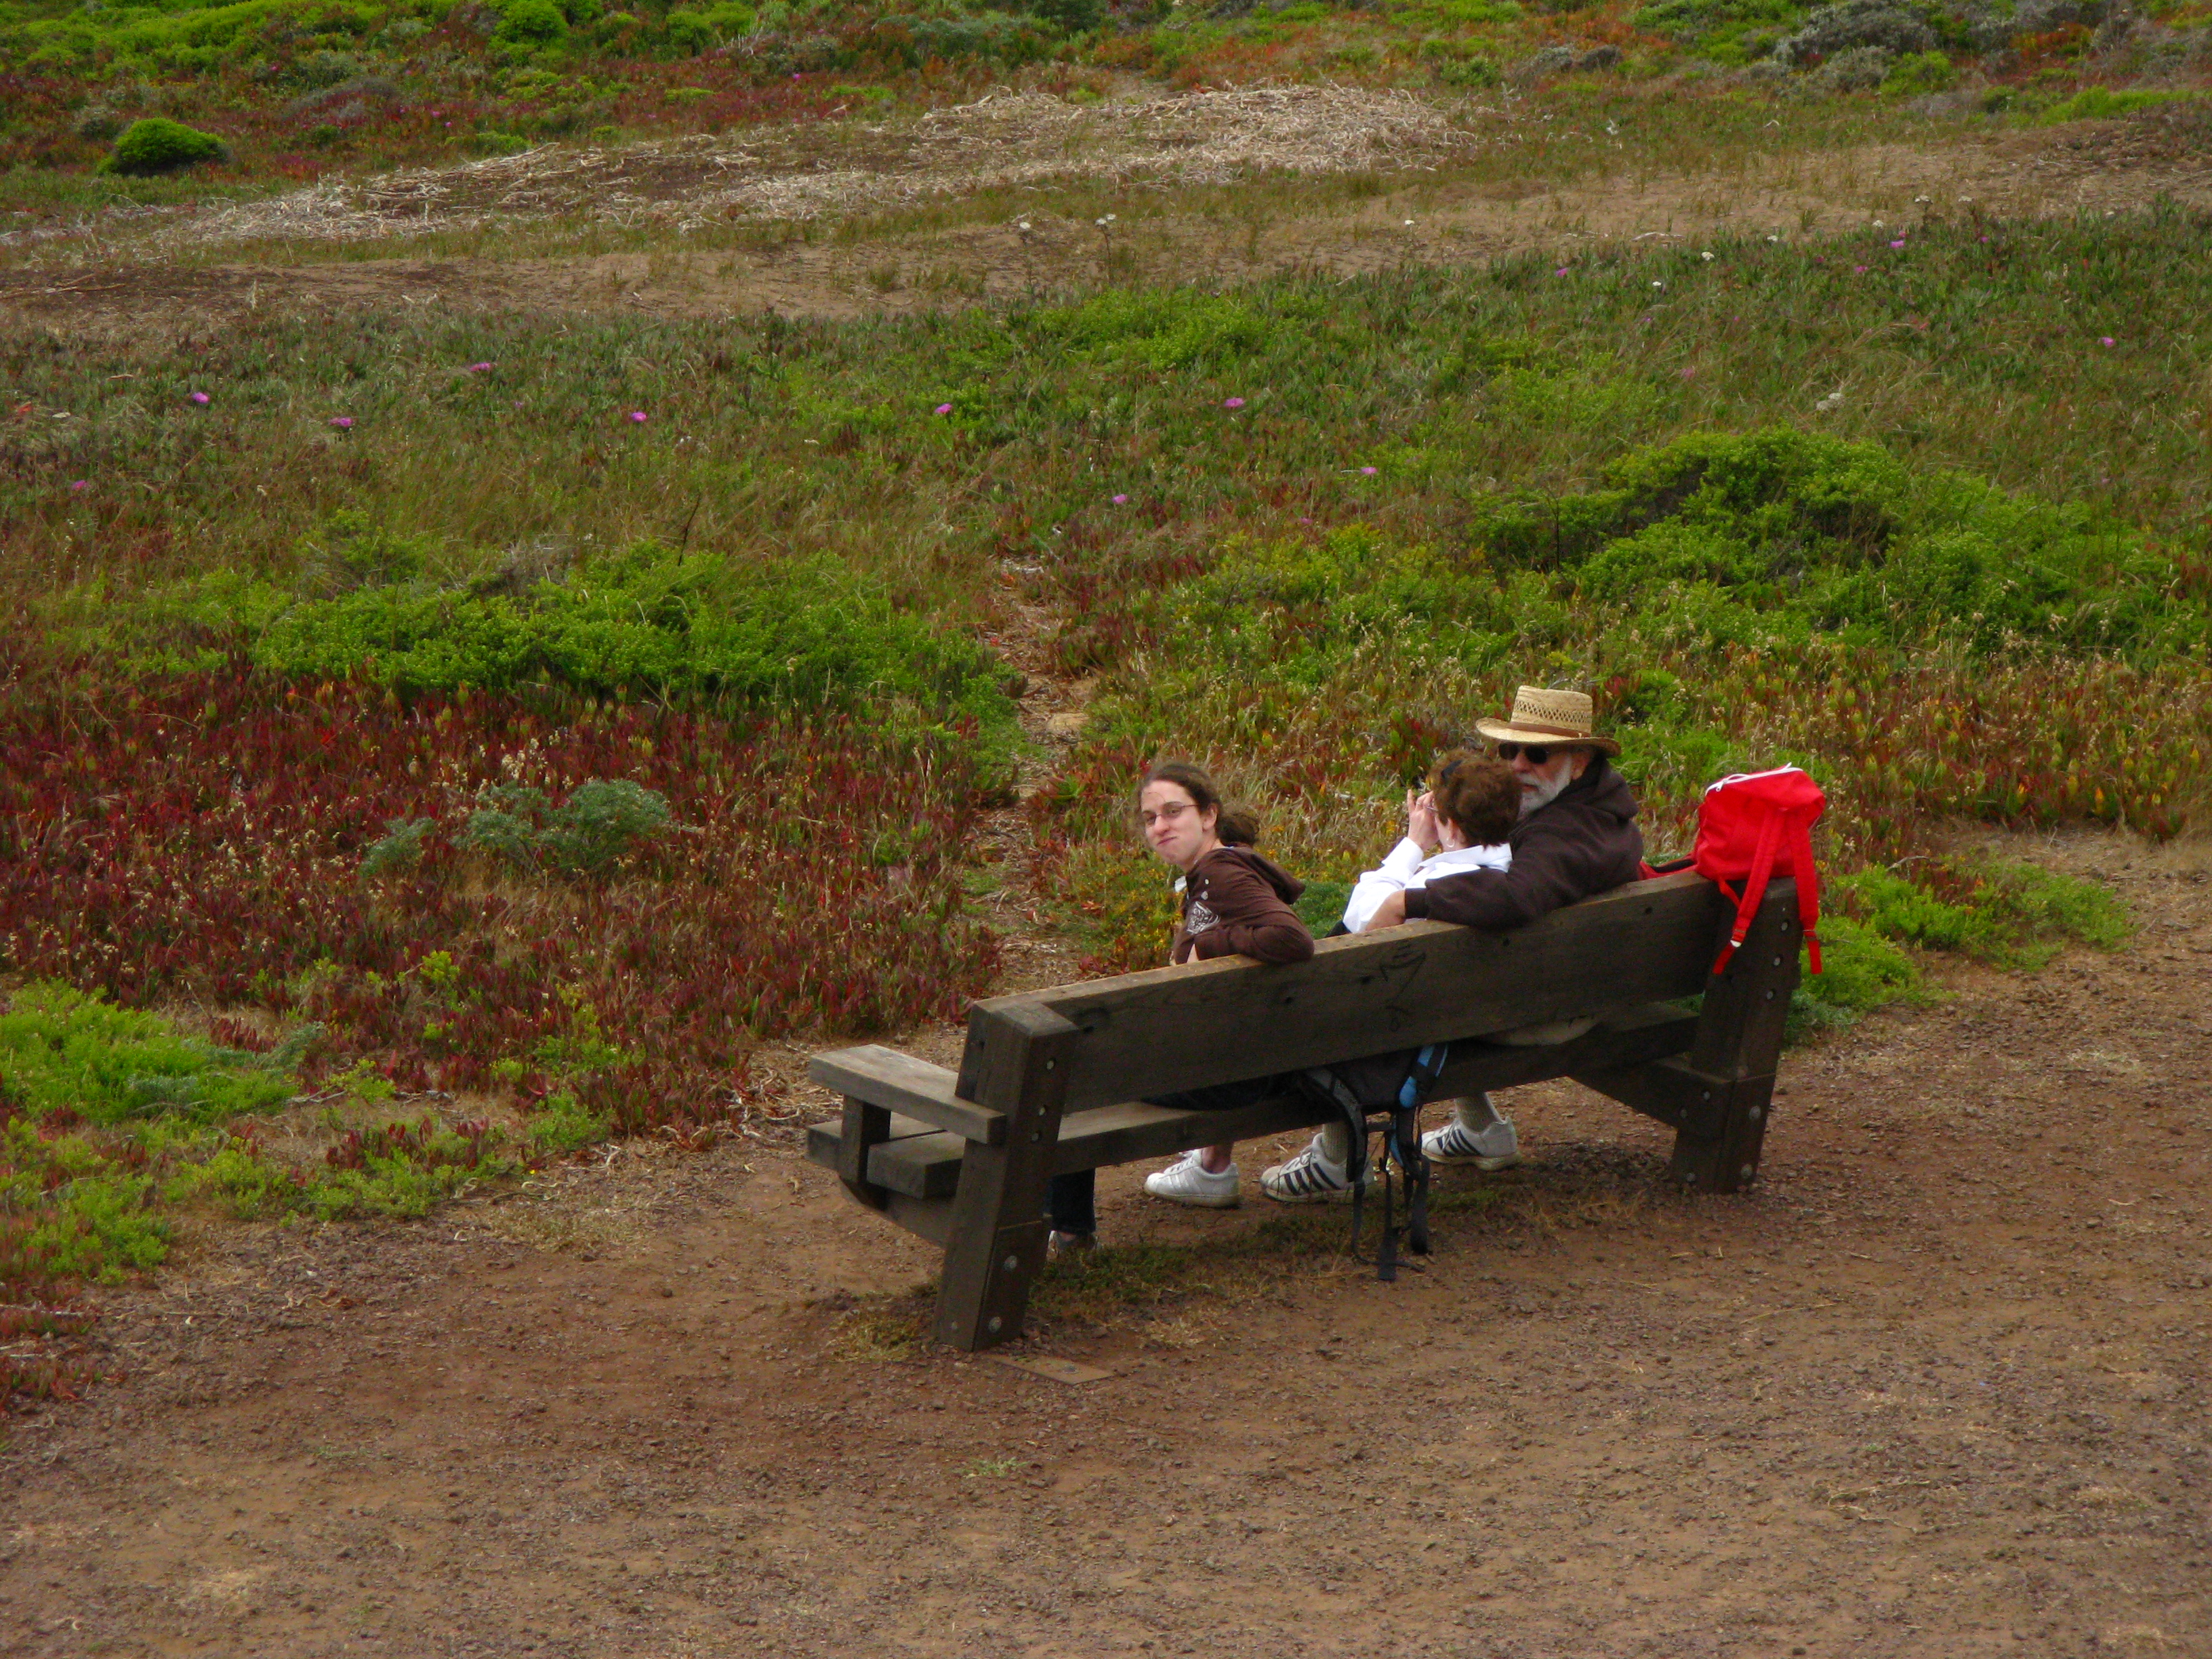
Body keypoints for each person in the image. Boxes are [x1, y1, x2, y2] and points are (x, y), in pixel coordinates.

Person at [1259, 686, 1643, 1202]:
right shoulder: (1599, 813)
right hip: (1569, 983)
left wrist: (1409, 900)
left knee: (1358, 980)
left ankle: (1336, 1160)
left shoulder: (1564, 835)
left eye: (1537, 754)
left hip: (1544, 1010)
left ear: (1580, 763)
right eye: (1509, 750)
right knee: (1447, 966)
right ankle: (1481, 1129)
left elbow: (1517, 895)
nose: (1517, 765)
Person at [1046, 761, 1314, 1251]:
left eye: (1173, 812)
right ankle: (1209, 1168)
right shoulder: (1222, 870)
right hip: (1259, 1059)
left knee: (1068, 1075)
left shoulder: (1222, 874)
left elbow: (1293, 939)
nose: (1160, 826)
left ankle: (1069, 1231)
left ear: (1209, 815)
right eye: (1150, 818)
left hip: (1240, 1076)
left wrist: (1207, 946)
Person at [1338, 749, 1519, 935]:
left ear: (1452, 828)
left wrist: (1414, 843)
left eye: (1434, 811)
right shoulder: (1519, 869)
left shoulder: (1444, 884)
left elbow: (1360, 918)